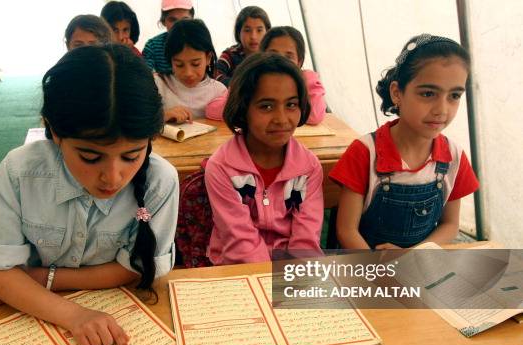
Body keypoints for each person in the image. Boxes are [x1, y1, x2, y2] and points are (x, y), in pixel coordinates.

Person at [0, 45, 179, 345]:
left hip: (65, 306)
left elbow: (136, 268)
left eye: (131, 156)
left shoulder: (160, 181)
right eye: (90, 157)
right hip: (27, 323)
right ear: (53, 130)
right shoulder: (20, 172)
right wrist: (74, 315)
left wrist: (31, 279)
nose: (113, 177)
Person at [329, 34, 479, 249]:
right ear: (397, 93)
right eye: (428, 93)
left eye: (454, 96)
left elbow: (450, 224)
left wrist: (413, 256)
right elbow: (346, 231)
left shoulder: (454, 156)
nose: (442, 110)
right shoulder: (365, 152)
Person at [205, 53, 324, 265]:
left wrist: (292, 285)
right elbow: (240, 242)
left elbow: (305, 242)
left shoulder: (309, 168)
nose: (281, 119)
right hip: (236, 271)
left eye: (291, 105)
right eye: (266, 106)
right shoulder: (221, 167)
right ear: (243, 108)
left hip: (290, 274)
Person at [206, 26, 326, 125]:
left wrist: (308, 80)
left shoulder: (306, 81)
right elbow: (212, 110)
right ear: (261, 57)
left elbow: (315, 116)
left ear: (299, 62)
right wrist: (245, 94)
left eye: (288, 57)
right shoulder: (251, 78)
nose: (280, 62)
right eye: (273, 55)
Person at [154, 19, 226, 123]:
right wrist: (163, 116)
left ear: (208, 58)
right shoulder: (158, 85)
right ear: (170, 61)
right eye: (179, 65)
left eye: (195, 64)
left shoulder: (219, 92)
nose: (188, 73)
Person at [216, 6, 271, 86]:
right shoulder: (230, 55)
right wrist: (245, 85)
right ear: (238, 32)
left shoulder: (271, 54)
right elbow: (216, 77)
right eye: (247, 30)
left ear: (267, 32)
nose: (253, 36)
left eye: (259, 30)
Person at [143, 0, 194, 74]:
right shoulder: (152, 46)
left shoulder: (201, 43)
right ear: (163, 21)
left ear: (192, 20)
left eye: (185, 20)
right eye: (173, 20)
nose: (179, 25)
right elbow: (145, 75)